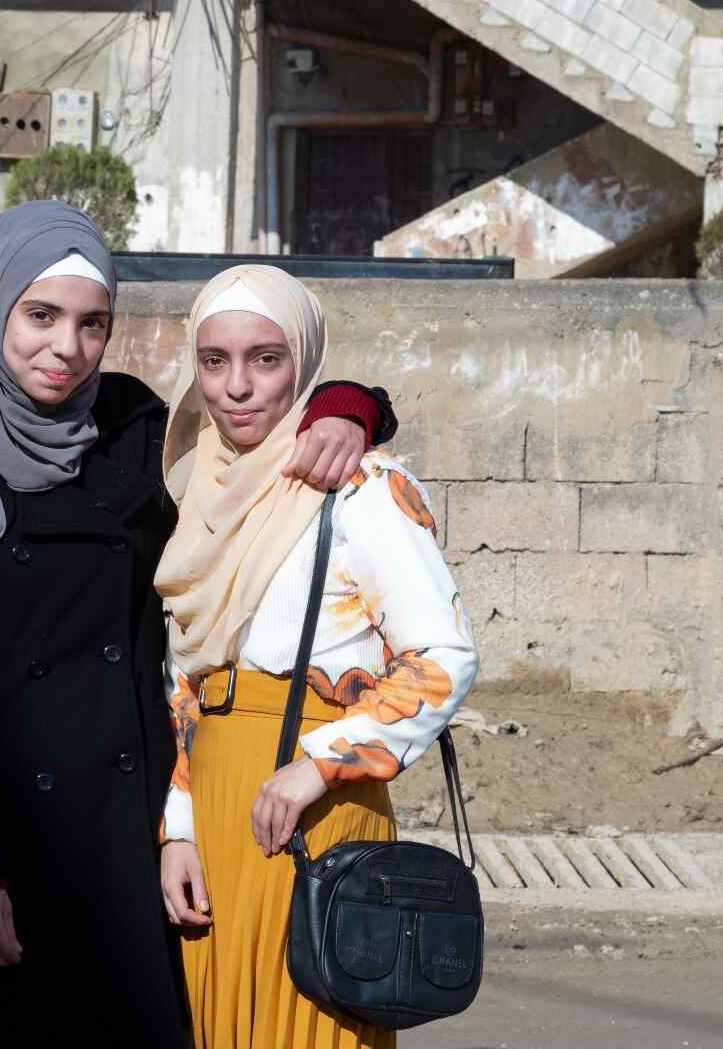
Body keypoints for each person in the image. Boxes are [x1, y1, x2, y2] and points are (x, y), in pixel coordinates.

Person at [0, 205, 392, 1047]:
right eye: (41, 316)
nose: (65, 348)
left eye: (91, 323)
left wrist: (349, 406)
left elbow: (250, 419)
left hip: (125, 830)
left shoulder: (128, 425)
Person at [154, 265, 479, 1049]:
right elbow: (185, 685)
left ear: (303, 359)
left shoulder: (359, 484)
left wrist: (319, 764)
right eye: (214, 360)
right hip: (216, 811)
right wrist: (177, 830)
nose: (237, 386)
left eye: (267, 359)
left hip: (316, 810)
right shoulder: (191, 485)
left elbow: (442, 656)